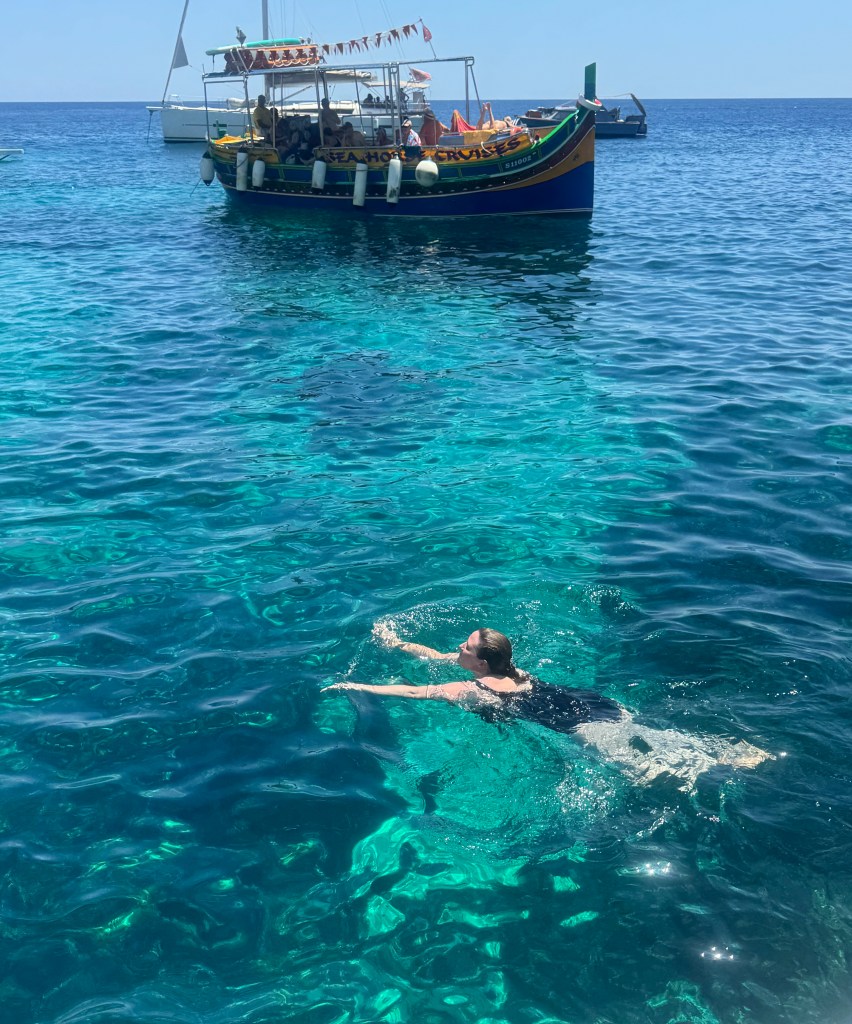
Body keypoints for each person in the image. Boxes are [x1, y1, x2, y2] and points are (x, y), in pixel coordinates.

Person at [323, 625, 773, 791]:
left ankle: (705, 777)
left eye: (463, 647)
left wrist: (355, 684)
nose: (455, 649)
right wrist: (396, 643)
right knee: (660, 739)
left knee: (647, 770)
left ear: (480, 661)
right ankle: (733, 751)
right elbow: (434, 657)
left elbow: (414, 693)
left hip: (580, 728)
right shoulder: (509, 666)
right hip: (597, 705)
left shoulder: (470, 687)